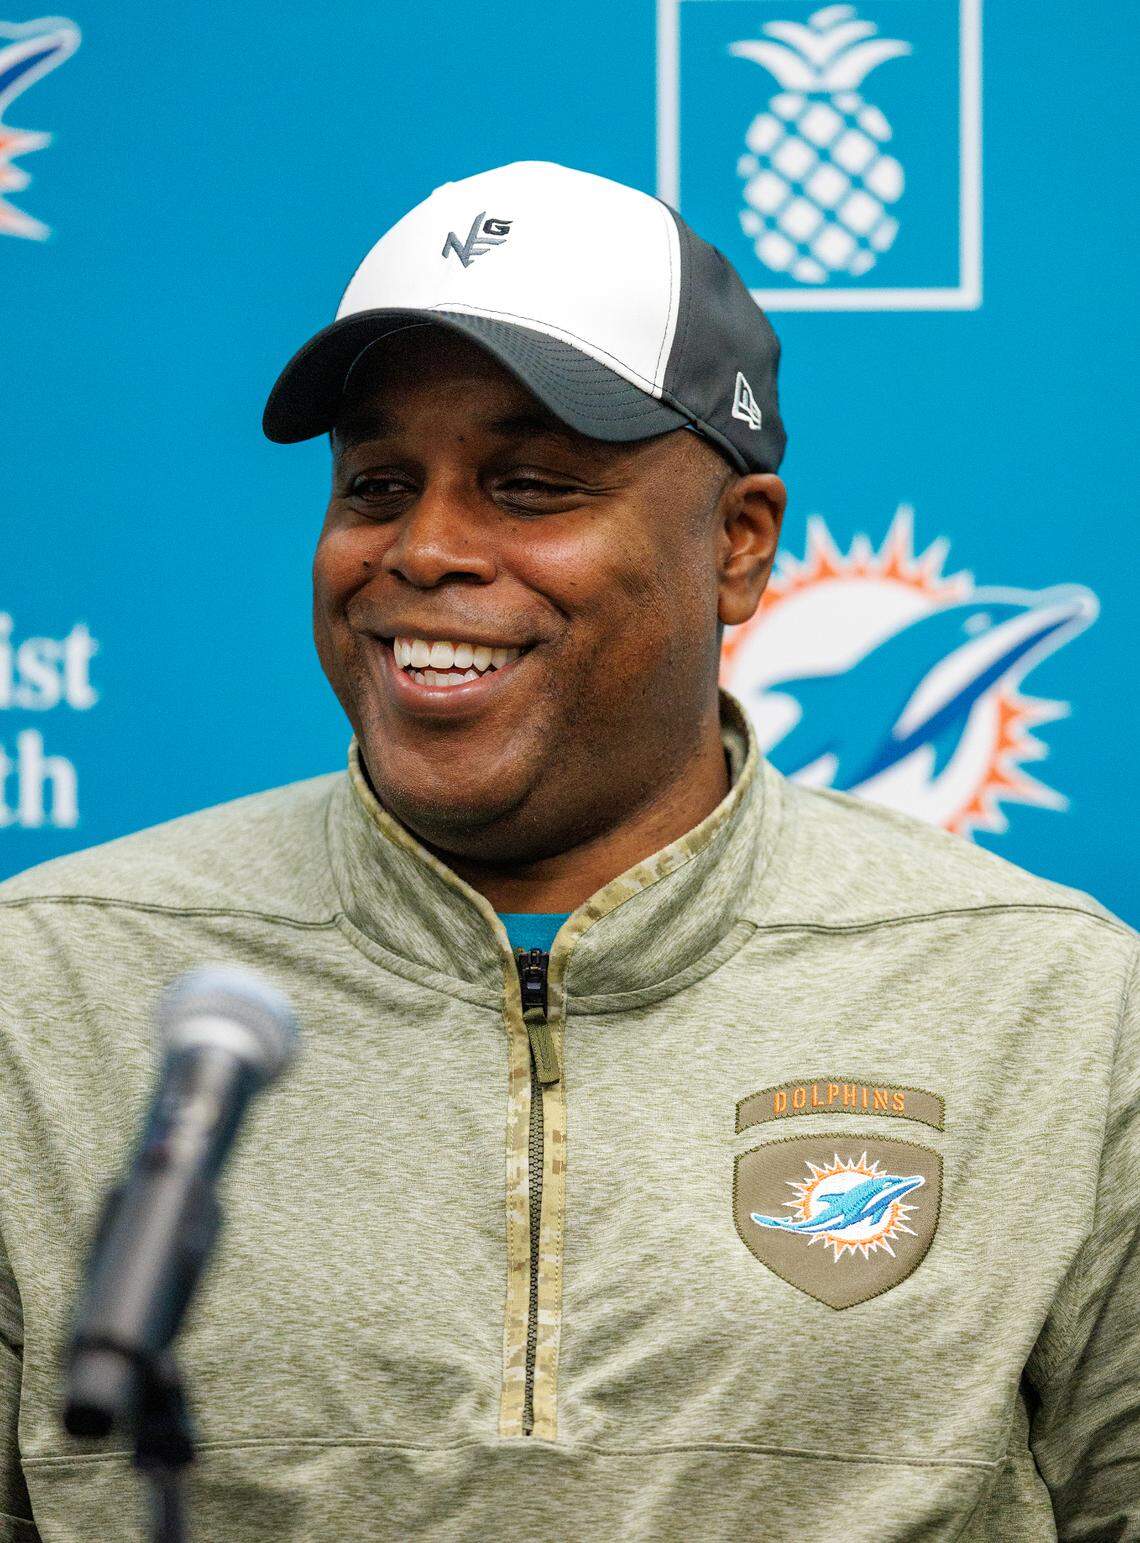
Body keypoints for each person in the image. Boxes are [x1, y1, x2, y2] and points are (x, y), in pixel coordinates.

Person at [0, 160, 1135, 1541]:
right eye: (375, 484)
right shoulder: (46, 983)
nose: (424, 548)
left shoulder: (1055, 1005)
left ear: (738, 546)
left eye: (530, 486)